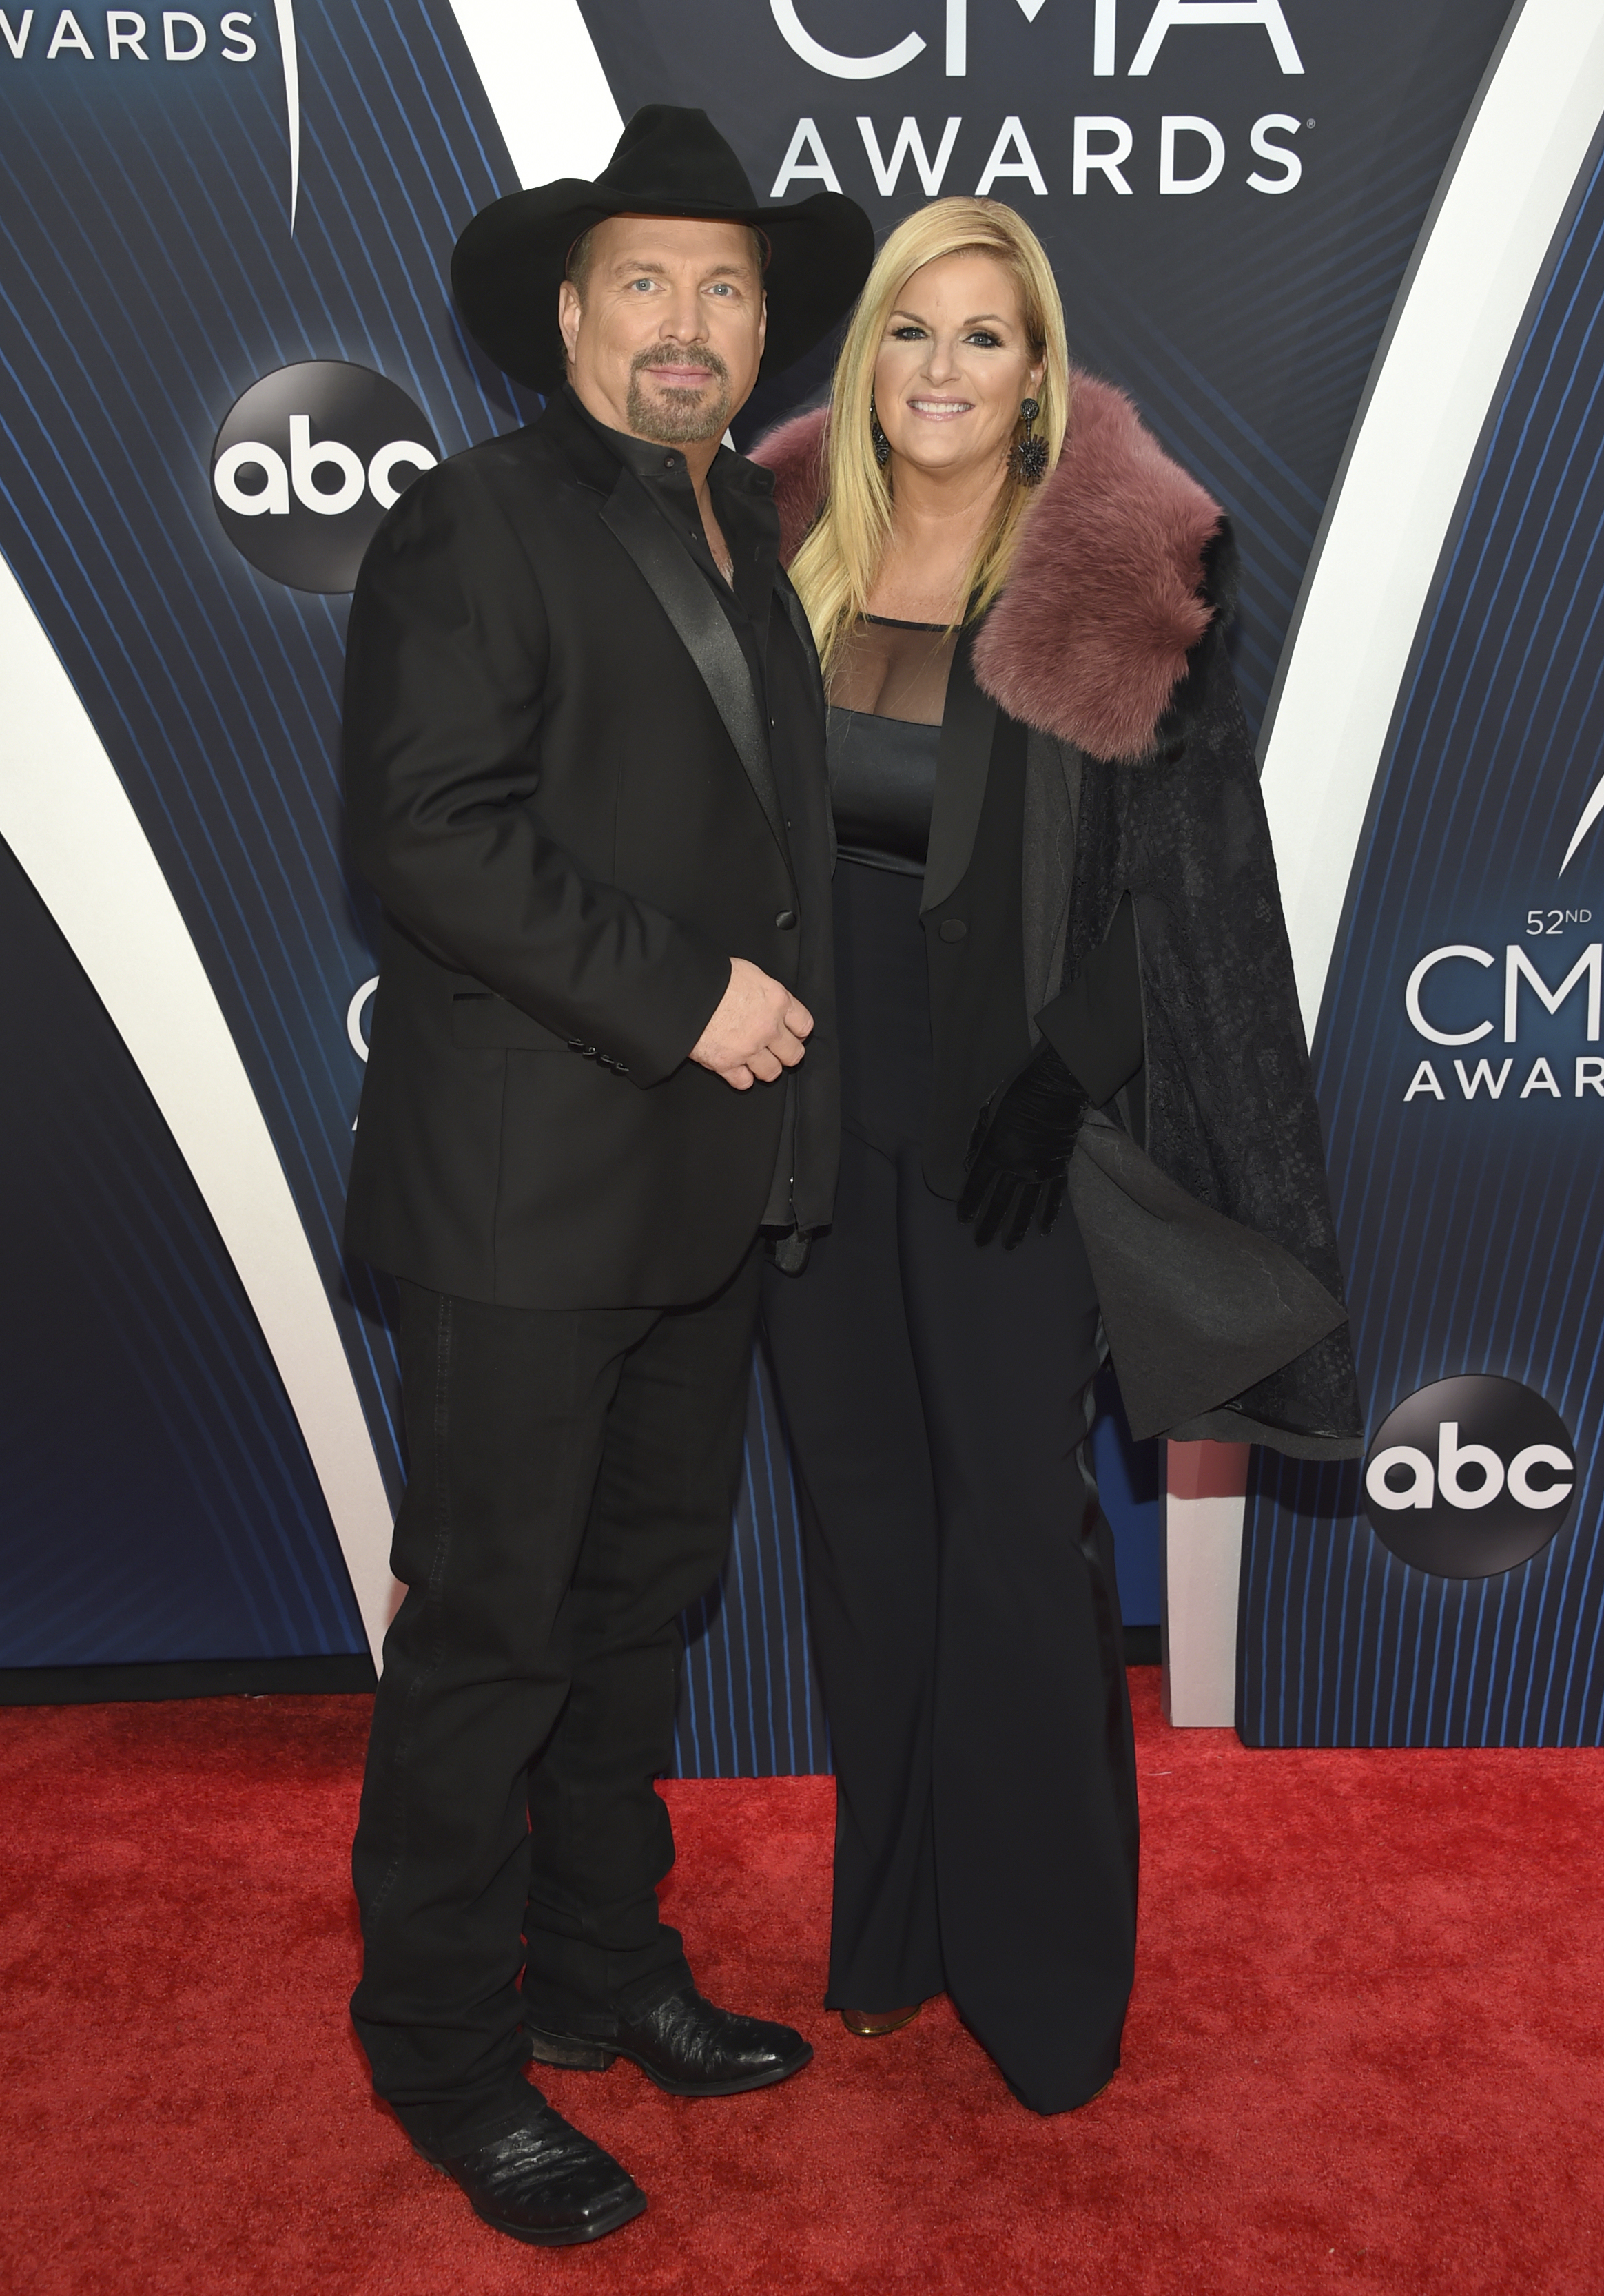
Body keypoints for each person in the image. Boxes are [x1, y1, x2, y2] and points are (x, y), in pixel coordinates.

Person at [754, 198, 1364, 2117]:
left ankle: (1043, 1969)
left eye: (985, 338)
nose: (942, 368)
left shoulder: (1120, 574)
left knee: (1016, 1536)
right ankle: (892, 1928)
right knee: (866, 1535)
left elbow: (1187, 892)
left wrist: (1056, 1077)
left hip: (1010, 1137)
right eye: (911, 331)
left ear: (1039, 380)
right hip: (801, 1128)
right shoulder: (779, 558)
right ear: (869, 362)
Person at [340, 107, 872, 2247]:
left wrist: (782, 1110)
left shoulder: (753, 525)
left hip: (707, 1195)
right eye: (643, 282)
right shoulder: (471, 525)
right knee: (492, 1636)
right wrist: (687, 1000)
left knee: (638, 1615)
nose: (689, 323)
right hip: (526, 1197)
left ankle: (593, 1971)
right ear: (566, 314)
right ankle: (449, 2057)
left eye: (726, 288)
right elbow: (434, 836)